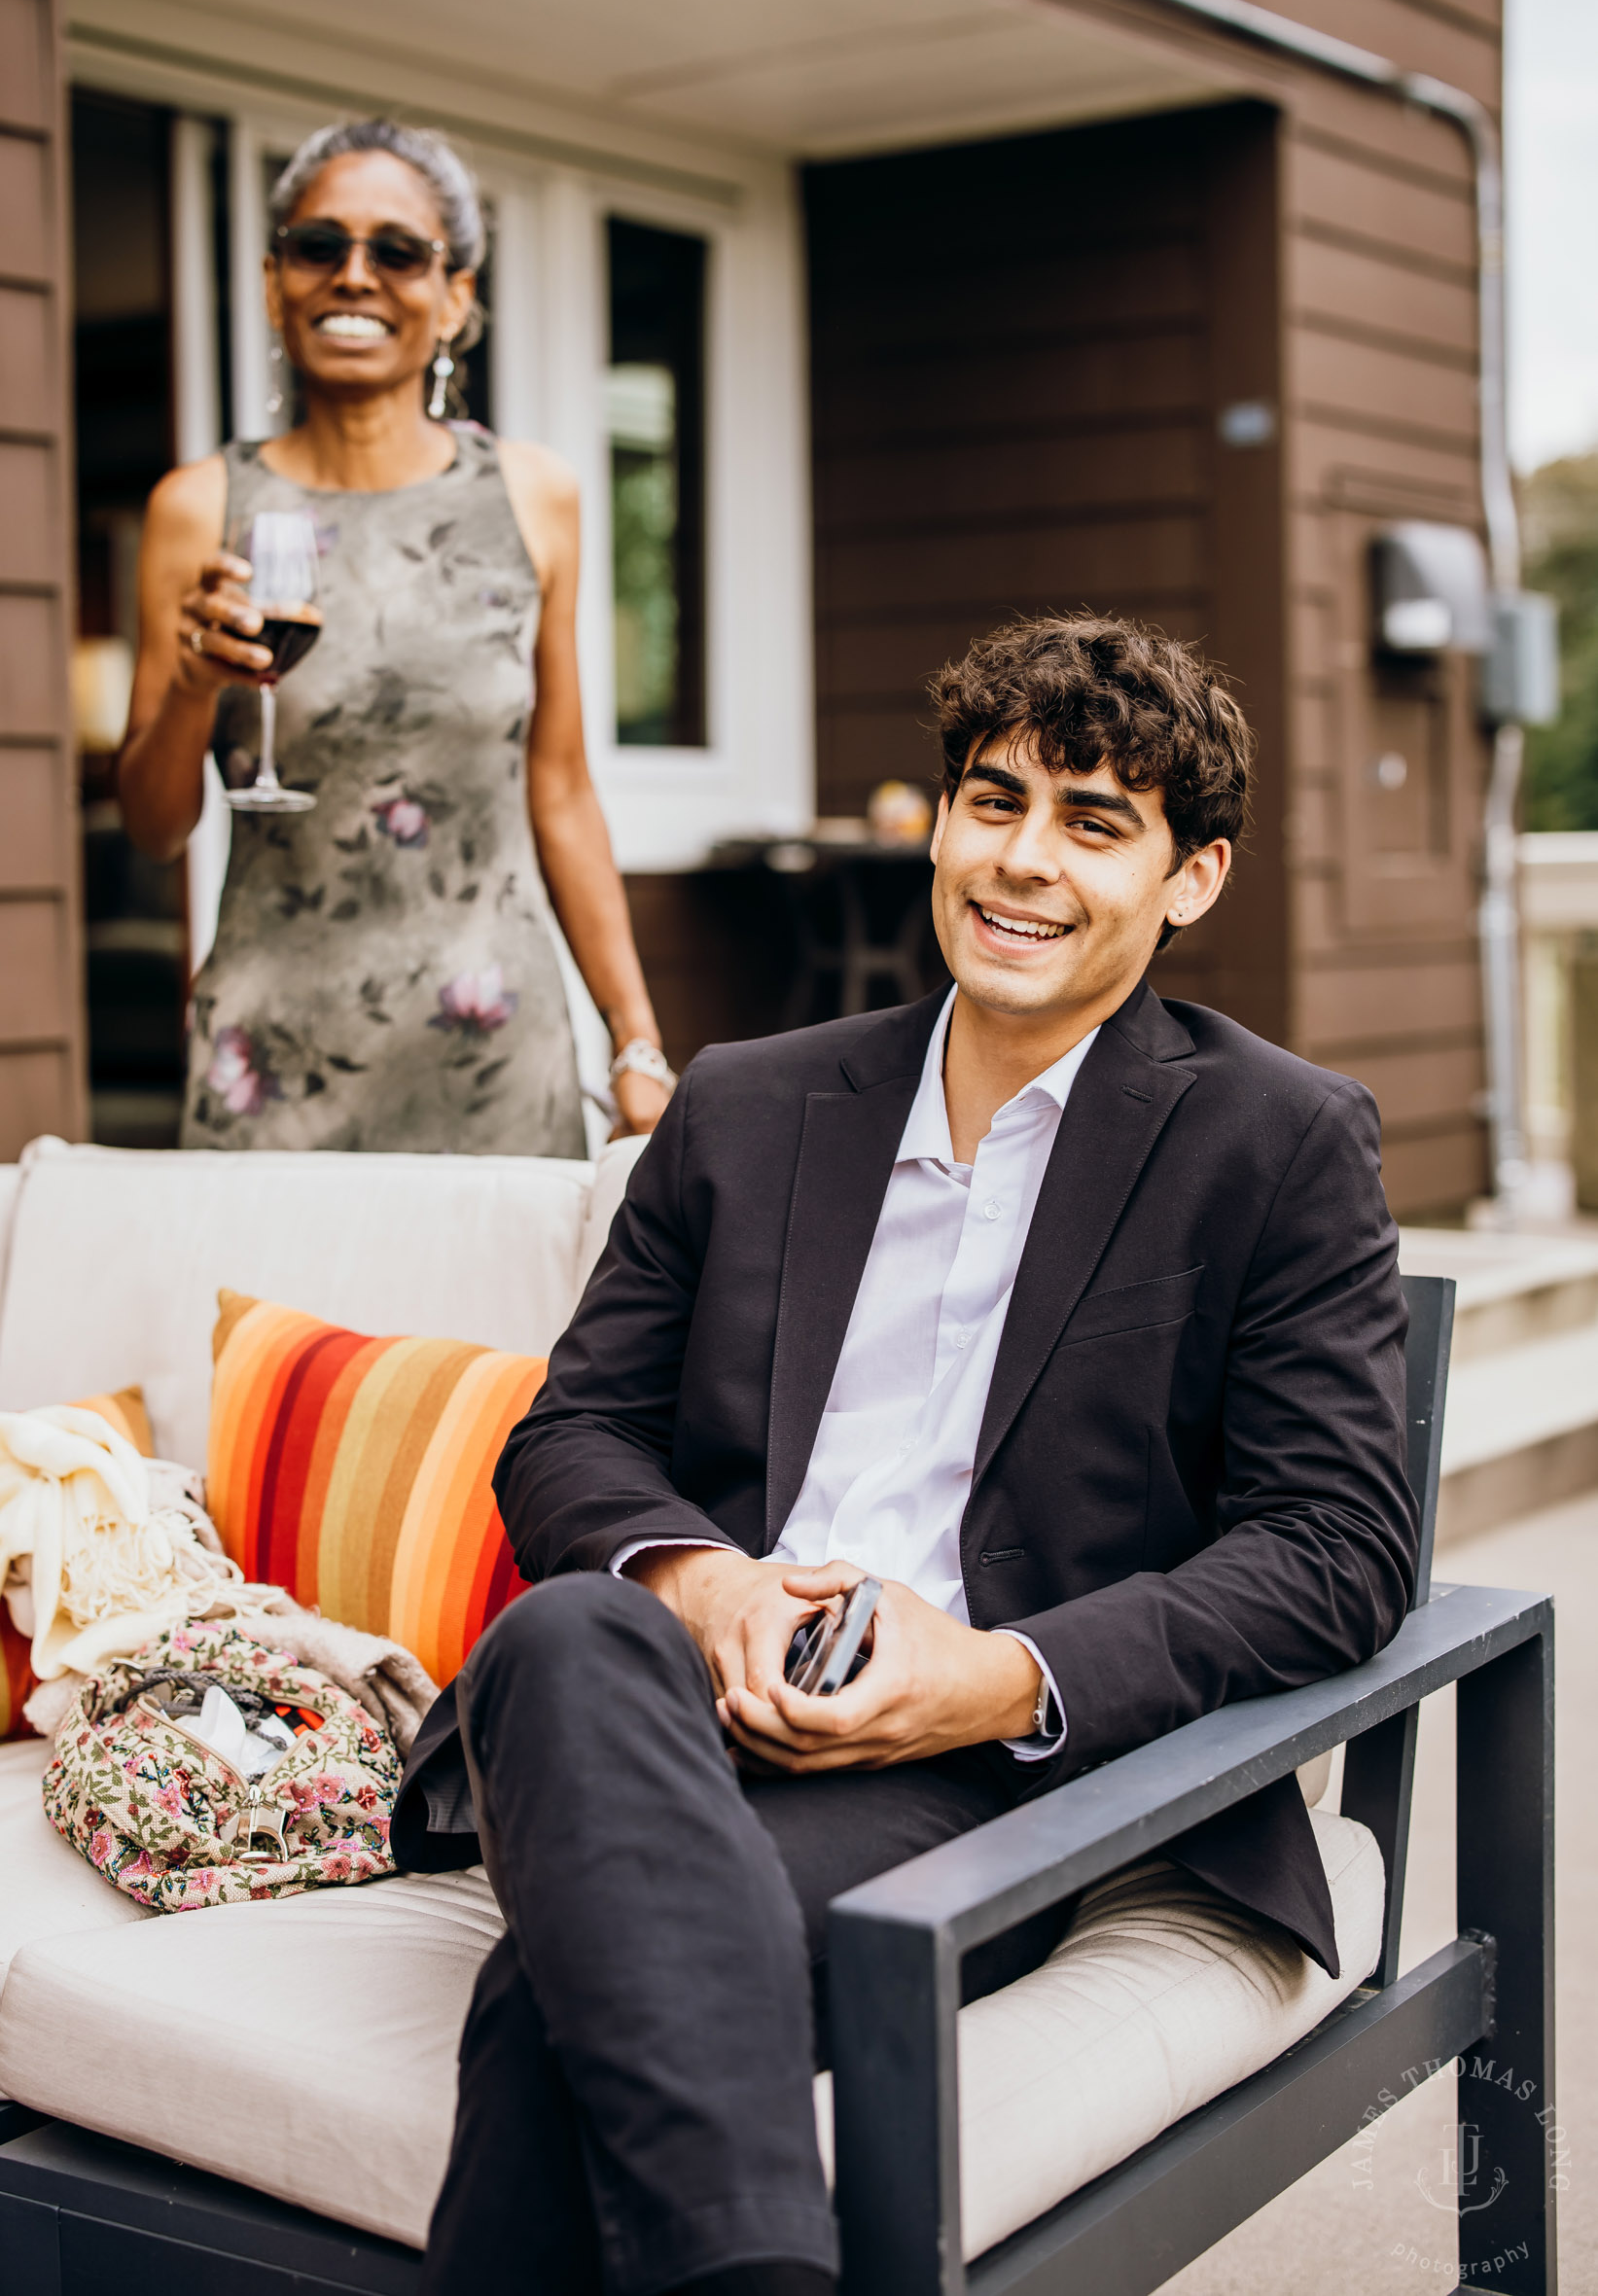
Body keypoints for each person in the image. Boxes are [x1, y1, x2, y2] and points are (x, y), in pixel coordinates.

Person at [394, 613, 1416, 2296]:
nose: (1020, 862)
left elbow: (1335, 1546)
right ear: (937, 825)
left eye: (1093, 824)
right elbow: (572, 1432)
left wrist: (1001, 1676)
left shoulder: (1274, 1141)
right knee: (570, 1626)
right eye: (992, 801)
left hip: (976, 1768)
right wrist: (702, 1584)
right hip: (664, 1699)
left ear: (1192, 879)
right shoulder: (743, 1102)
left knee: (549, 2004)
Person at [119, 119, 670, 1154]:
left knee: (494, 1328)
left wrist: (633, 1043)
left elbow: (558, 789)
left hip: (492, 1048)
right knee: (272, 1325)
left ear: (454, 296)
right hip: (270, 1060)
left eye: (398, 251)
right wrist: (194, 682)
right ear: (276, 280)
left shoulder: (533, 496)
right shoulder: (197, 506)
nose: (354, 276)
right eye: (320, 247)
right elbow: (152, 826)